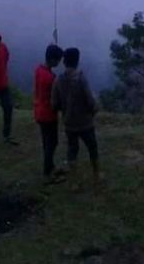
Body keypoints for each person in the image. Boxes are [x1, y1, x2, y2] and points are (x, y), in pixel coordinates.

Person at [51, 47, 100, 180]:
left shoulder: (58, 80)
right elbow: (90, 100)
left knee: (72, 150)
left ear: (64, 62)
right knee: (92, 147)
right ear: (77, 61)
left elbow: (54, 104)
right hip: (85, 122)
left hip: (69, 123)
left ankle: (75, 180)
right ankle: (96, 174)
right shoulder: (81, 78)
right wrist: (95, 110)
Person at [34, 44, 65, 183]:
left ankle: (51, 167)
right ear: (52, 59)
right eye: (58, 60)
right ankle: (47, 173)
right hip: (48, 114)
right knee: (51, 143)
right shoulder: (50, 78)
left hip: (39, 111)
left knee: (47, 142)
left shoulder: (39, 70)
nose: (59, 62)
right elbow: (54, 100)